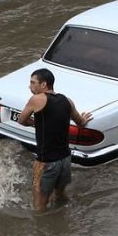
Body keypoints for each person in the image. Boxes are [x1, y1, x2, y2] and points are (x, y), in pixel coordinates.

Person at [18, 68, 92, 213]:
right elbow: (80, 122)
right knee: (60, 195)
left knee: (39, 205)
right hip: (65, 158)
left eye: (33, 83)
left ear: (44, 84)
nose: (30, 86)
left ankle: (42, 232)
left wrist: (35, 123)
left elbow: (21, 120)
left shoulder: (37, 99)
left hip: (46, 161)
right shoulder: (67, 100)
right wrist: (84, 117)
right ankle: (62, 221)